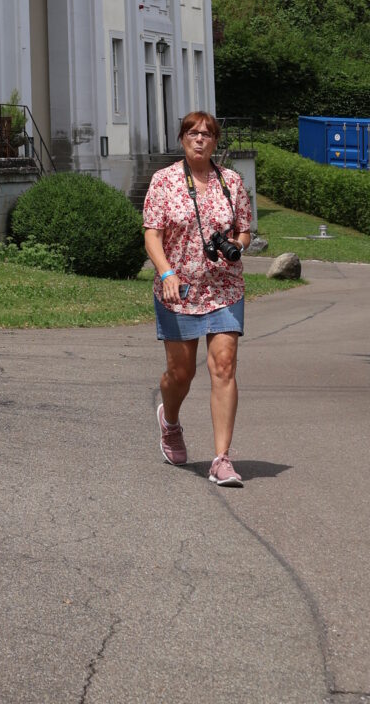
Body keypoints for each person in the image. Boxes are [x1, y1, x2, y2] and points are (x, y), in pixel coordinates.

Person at [143, 110, 253, 486]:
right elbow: (152, 236)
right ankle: (169, 421)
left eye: (207, 133)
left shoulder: (232, 182)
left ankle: (222, 459)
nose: (200, 138)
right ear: (182, 139)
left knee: (223, 365)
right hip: (179, 290)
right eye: (193, 132)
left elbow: (244, 231)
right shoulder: (164, 181)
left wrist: (235, 246)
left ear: (215, 141)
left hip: (224, 287)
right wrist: (166, 272)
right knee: (181, 373)